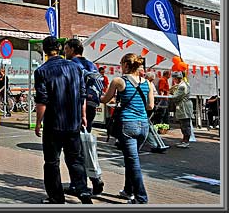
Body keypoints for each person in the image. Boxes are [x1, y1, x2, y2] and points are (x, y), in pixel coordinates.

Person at [34, 36, 92, 204]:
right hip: (73, 123)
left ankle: (56, 198)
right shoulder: (75, 68)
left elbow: (42, 100)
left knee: (52, 162)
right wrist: (83, 116)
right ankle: (84, 192)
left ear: (44, 51)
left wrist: (38, 122)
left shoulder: (42, 71)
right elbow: (82, 95)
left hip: (54, 124)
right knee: (75, 159)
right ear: (58, 49)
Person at [100, 53, 154, 204]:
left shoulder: (119, 81)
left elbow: (105, 99)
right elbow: (150, 106)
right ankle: (128, 190)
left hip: (127, 125)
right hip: (144, 125)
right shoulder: (147, 83)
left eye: (121, 63)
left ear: (125, 65)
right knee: (132, 159)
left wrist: (94, 96)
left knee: (133, 162)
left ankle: (141, 198)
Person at [63, 38, 105, 196]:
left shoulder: (71, 65)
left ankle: (79, 184)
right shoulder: (91, 65)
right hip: (92, 108)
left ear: (73, 49)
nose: (65, 52)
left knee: (74, 149)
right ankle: (94, 178)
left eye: (66, 49)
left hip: (77, 108)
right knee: (86, 143)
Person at [171, 72, 193, 148]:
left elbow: (176, 97)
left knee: (185, 124)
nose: (173, 80)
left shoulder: (182, 86)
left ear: (176, 78)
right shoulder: (184, 84)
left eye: (174, 78)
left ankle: (186, 141)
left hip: (184, 106)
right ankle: (184, 140)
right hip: (184, 106)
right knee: (183, 124)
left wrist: (170, 95)